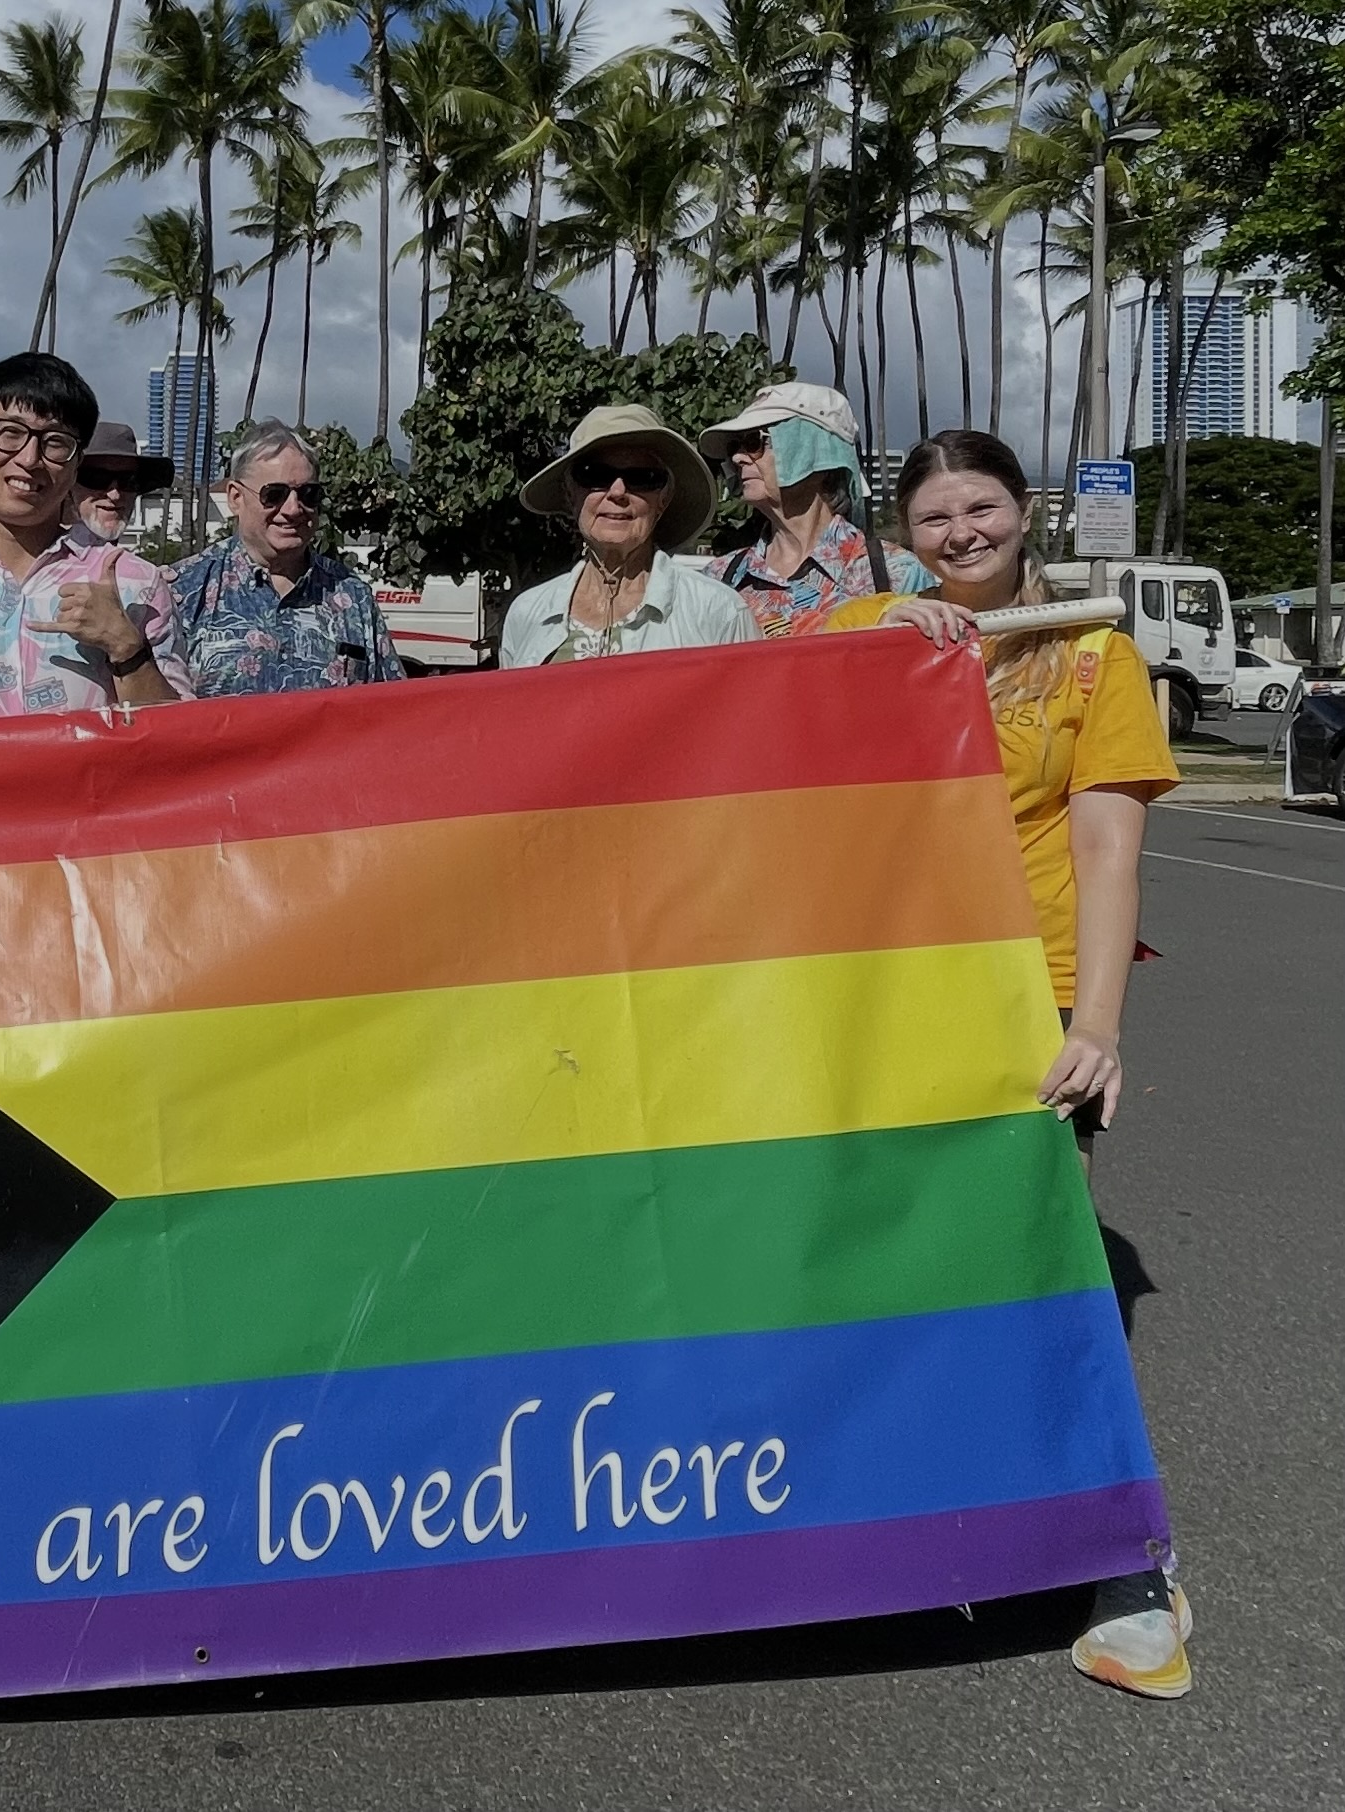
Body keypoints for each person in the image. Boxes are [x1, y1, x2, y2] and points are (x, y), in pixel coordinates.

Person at [828, 428, 1189, 1700]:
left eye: (979, 507)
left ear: (1024, 512)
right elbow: (752, 696)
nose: (960, 533)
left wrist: (1096, 1028)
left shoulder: (1094, 652)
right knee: (897, 1265)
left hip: (1030, 998)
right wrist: (885, 628)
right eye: (934, 518)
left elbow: (1105, 852)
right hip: (890, 1000)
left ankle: (1128, 1568)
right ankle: (927, 1525)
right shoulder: (875, 630)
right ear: (904, 535)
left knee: (1042, 1276)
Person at [0, 352, 189, 725]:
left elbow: (180, 739)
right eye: (10, 433)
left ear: (76, 462)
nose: (29, 459)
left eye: (55, 442)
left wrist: (128, 650)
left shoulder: (135, 585)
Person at [500, 404, 760, 667]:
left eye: (642, 478)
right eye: (595, 475)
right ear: (570, 494)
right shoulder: (527, 614)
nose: (618, 492)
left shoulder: (718, 611)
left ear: (663, 499)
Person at [168, 419, 403, 696]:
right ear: (235, 498)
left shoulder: (353, 596)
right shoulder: (184, 592)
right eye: (274, 494)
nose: (293, 509)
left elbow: (392, 703)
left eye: (308, 494)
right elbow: (151, 705)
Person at [699, 382, 930, 635]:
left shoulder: (896, 572)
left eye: (754, 442)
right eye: (734, 447)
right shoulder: (718, 578)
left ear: (818, 452)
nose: (737, 458)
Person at [69, 419, 173, 548]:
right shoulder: (51, 556)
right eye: (97, 479)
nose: (114, 495)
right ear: (69, 484)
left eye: (128, 481)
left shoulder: (131, 561)